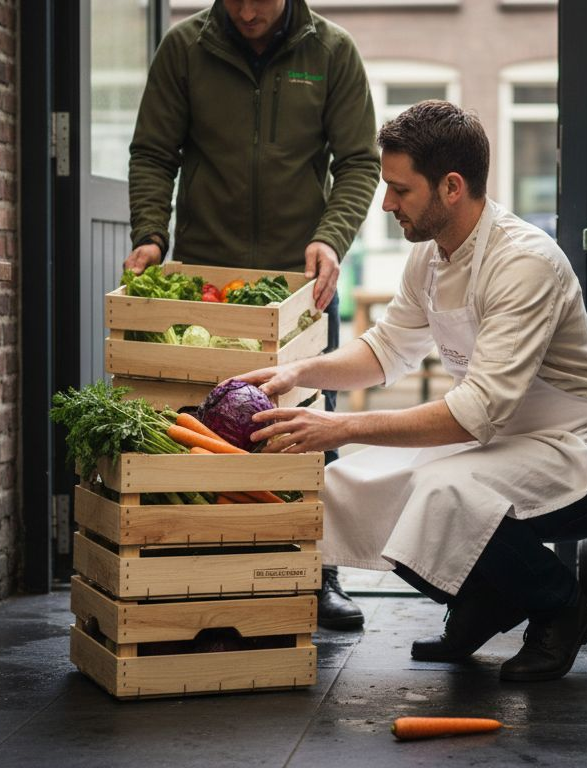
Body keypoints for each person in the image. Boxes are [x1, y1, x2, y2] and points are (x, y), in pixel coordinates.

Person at [234, 101, 587, 681]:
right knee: (349, 487)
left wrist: (338, 427)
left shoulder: (524, 264)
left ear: (451, 187)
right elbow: (386, 348)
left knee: (443, 490)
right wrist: (298, 372)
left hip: (576, 454)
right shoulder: (429, 254)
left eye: (400, 189)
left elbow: (476, 413)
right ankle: (482, 602)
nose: (386, 203)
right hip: (497, 443)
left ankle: (561, 608)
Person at [124, 0, 380, 630]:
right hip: (205, 285)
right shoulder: (185, 49)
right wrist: (151, 235)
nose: (245, 11)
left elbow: (358, 161)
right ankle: (203, 563)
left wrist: (331, 238)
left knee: (306, 427)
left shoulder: (332, 52)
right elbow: (154, 152)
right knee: (197, 428)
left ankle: (318, 572)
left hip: (301, 285)